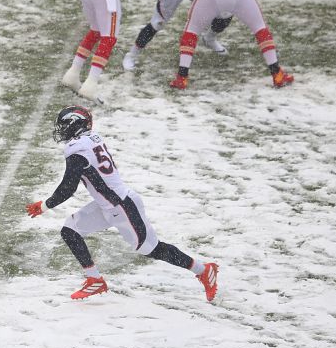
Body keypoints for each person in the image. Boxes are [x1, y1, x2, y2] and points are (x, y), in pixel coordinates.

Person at [25, 105, 219, 302]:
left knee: (151, 249)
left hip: (122, 206)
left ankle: (203, 270)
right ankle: (95, 280)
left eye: (65, 125)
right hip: (107, 205)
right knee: (70, 230)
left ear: (76, 124)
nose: (62, 130)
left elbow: (68, 187)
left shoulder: (77, 149)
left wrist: (44, 206)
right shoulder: (89, 139)